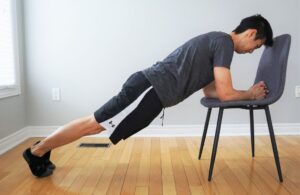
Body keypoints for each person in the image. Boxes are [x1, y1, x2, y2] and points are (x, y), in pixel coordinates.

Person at [23, 14, 272, 177]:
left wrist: (238, 94)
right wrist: (249, 94)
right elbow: (227, 94)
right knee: (93, 125)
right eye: (257, 46)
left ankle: (41, 150)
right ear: (250, 33)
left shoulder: (217, 42)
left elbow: (211, 90)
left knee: (96, 125)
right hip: (150, 89)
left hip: (151, 91)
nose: (252, 52)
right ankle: (36, 151)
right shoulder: (224, 44)